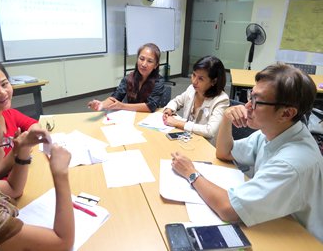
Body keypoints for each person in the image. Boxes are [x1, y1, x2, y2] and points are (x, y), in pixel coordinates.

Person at [170, 63, 323, 242]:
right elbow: (224, 153)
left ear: (286, 113)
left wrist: (191, 173)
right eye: (251, 96)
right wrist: (227, 118)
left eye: (257, 101)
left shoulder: (291, 163)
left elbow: (228, 210)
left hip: (296, 238)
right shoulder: (273, 132)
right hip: (274, 219)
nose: (247, 106)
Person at [0, 103, 74, 250]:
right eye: (1, 142)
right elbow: (62, 243)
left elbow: (13, 188)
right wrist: (61, 175)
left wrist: (24, 150)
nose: (6, 146)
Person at [162, 56, 229, 145]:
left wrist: (178, 123)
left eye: (200, 78)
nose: (194, 81)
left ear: (214, 81)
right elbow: (176, 101)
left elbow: (210, 131)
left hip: (206, 146)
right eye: (193, 75)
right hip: (187, 140)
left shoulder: (221, 100)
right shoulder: (192, 89)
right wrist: (169, 109)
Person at [88, 43, 165, 112]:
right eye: (141, 59)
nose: (144, 64)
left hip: (148, 118)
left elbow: (151, 106)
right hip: (130, 118)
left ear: (156, 65)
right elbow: (116, 97)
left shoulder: (159, 81)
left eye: (150, 61)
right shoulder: (129, 78)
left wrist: (122, 106)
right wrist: (102, 104)